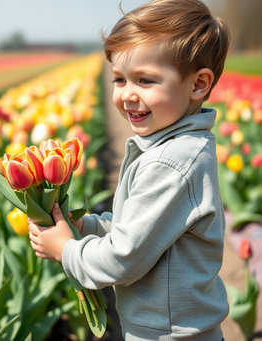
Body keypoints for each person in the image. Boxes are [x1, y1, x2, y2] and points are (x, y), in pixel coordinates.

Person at [28, 0, 230, 340]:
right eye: (119, 80)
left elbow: (124, 258)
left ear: (198, 85)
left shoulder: (170, 163)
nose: (127, 95)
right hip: (170, 326)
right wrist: (86, 226)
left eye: (145, 80)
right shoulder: (168, 147)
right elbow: (137, 228)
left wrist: (66, 250)